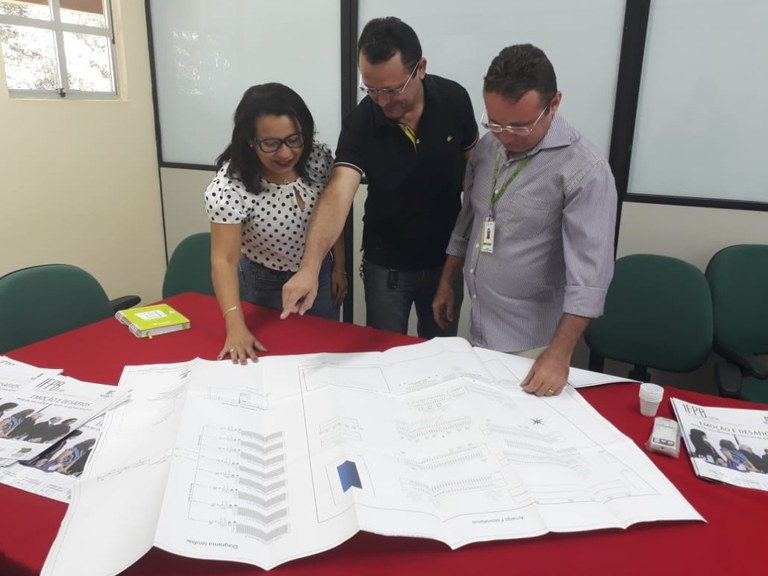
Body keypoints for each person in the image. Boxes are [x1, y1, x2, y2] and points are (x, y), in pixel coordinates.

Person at [432, 44, 617, 397]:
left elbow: (589, 281)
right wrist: (447, 282)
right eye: (494, 122)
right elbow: (469, 222)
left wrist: (558, 355)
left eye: (519, 126)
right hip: (479, 328)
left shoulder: (585, 170)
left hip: (533, 348)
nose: (505, 136)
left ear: (555, 103)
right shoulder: (488, 148)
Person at [281, 17, 478, 337]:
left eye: (392, 89)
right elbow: (338, 193)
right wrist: (309, 268)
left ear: (421, 68)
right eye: (371, 89)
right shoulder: (361, 122)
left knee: (441, 351)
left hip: (446, 262)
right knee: (383, 350)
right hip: (387, 267)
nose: (383, 101)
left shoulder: (454, 100)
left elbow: (476, 176)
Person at [205, 83, 347, 364]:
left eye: (294, 139)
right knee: (278, 359)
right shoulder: (230, 186)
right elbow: (224, 260)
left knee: (324, 353)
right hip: (267, 283)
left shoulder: (316, 159)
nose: (285, 154)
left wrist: (339, 267)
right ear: (250, 140)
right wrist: (235, 325)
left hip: (319, 273)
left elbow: (332, 215)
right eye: (270, 144)